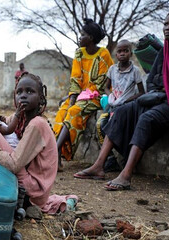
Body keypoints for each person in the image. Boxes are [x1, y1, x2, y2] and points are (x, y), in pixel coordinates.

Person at [74, 14, 169, 191]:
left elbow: (152, 83)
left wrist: (161, 89)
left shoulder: (134, 71)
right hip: (158, 97)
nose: (166, 27)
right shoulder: (164, 52)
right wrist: (160, 89)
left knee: (146, 119)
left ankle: (126, 174)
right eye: (165, 24)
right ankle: (99, 165)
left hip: (166, 103)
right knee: (121, 111)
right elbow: (152, 81)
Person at [0, 73, 77, 214]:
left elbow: (14, 164)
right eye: (19, 92)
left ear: (40, 98)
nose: (23, 95)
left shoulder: (37, 124)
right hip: (24, 177)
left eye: (30, 91)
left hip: (33, 191)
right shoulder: (20, 118)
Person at [53, 18, 114, 170]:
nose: (80, 38)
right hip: (80, 95)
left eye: (82, 35)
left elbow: (101, 83)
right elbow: (75, 77)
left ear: (91, 38)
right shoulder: (79, 53)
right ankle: (58, 157)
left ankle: (54, 152)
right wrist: (72, 97)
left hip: (96, 96)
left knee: (74, 111)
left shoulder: (103, 54)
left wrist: (79, 98)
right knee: (63, 110)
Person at [96, 40, 145, 172]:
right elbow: (106, 87)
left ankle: (127, 158)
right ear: (116, 54)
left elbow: (141, 92)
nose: (122, 54)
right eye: (119, 51)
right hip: (113, 106)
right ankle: (110, 159)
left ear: (131, 53)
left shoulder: (135, 71)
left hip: (126, 108)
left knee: (122, 131)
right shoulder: (112, 69)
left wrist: (127, 100)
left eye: (125, 51)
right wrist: (111, 96)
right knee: (100, 125)